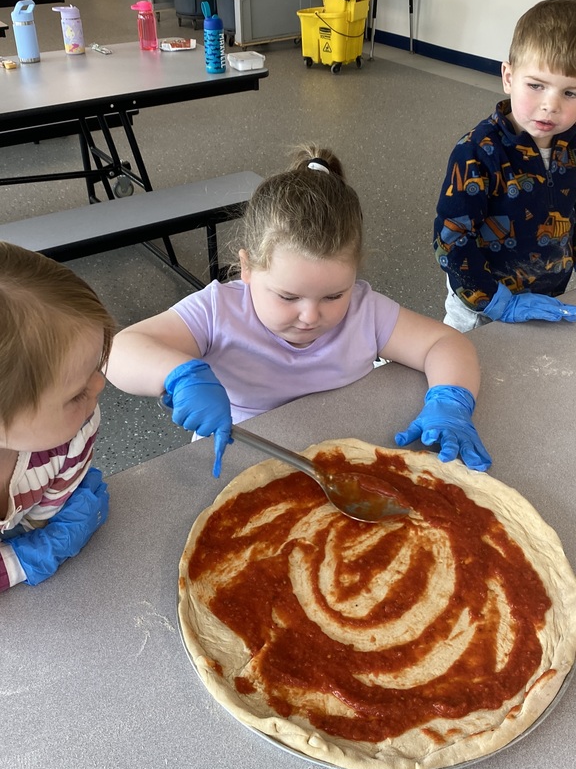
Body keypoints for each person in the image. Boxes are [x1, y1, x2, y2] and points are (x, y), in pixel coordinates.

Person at [106, 145, 491, 478]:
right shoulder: (218, 311)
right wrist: (178, 375)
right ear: (248, 269)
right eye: (287, 297)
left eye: (333, 296)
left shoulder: (363, 312)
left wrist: (450, 401)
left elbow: (445, 343)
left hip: (341, 461)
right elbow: (120, 351)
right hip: (238, 464)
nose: (310, 316)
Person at [434, 0, 576, 332]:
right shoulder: (477, 152)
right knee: (461, 358)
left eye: (571, 93)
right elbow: (451, 239)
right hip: (479, 305)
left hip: (547, 294)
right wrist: (495, 301)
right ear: (509, 77)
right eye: (536, 85)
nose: (550, 106)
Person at [0, 242, 115, 592]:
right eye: (77, 393)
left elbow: (44, 519)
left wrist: (48, 520)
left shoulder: (71, 435)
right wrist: (22, 560)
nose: (101, 385)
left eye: (98, 366)